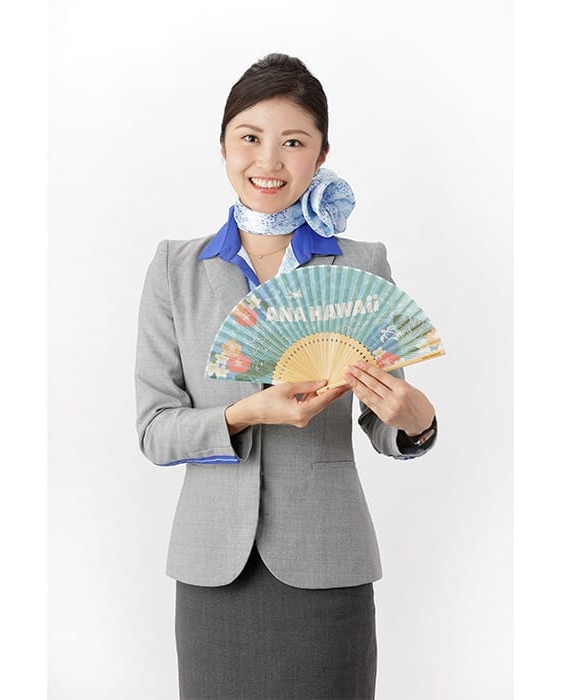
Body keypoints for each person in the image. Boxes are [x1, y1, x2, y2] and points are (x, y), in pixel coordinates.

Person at [135, 53, 437, 700]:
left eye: (293, 142)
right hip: (213, 567)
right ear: (223, 146)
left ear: (322, 154)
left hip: (327, 561)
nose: (268, 161)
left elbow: (385, 422)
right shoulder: (175, 269)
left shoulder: (360, 265)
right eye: (250, 137)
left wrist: (416, 421)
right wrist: (247, 413)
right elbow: (155, 432)